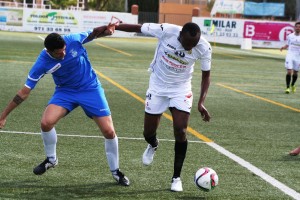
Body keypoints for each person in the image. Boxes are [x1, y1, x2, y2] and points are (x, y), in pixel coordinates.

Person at [0, 26, 130, 186]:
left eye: (64, 50)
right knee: (46, 123)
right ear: (49, 51)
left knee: (109, 131)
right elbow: (24, 93)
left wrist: (107, 30)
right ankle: (51, 159)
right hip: (65, 92)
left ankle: (116, 172)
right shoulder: (42, 63)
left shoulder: (73, 40)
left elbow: (93, 32)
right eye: (58, 53)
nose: (63, 53)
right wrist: (3, 116)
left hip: (90, 88)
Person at [109, 22, 212, 192]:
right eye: (187, 44)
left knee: (181, 131)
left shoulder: (204, 47)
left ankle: (176, 178)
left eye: (193, 45)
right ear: (180, 35)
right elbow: (138, 27)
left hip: (181, 89)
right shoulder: (167, 30)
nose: (189, 48)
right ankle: (153, 144)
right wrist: (115, 26)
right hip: (158, 87)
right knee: (148, 132)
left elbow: (206, 75)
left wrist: (201, 102)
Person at [280, 21, 300, 94]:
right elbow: (288, 44)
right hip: (290, 55)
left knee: (295, 73)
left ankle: (293, 84)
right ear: (294, 27)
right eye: (297, 27)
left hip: (298, 56)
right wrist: (283, 47)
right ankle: (287, 87)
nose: (298, 28)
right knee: (289, 72)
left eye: (299, 27)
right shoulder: (290, 36)